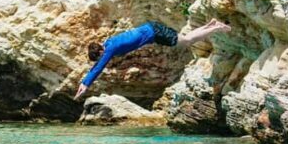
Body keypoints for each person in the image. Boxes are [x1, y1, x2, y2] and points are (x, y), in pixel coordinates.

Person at [74, 19, 231, 99]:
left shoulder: (110, 48)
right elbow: (98, 64)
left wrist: (85, 83)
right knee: (185, 39)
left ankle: (216, 28)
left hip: (154, 33)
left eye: (101, 56)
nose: (103, 57)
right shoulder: (108, 42)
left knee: (187, 41)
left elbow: (99, 67)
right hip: (152, 29)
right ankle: (211, 25)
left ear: (101, 51)